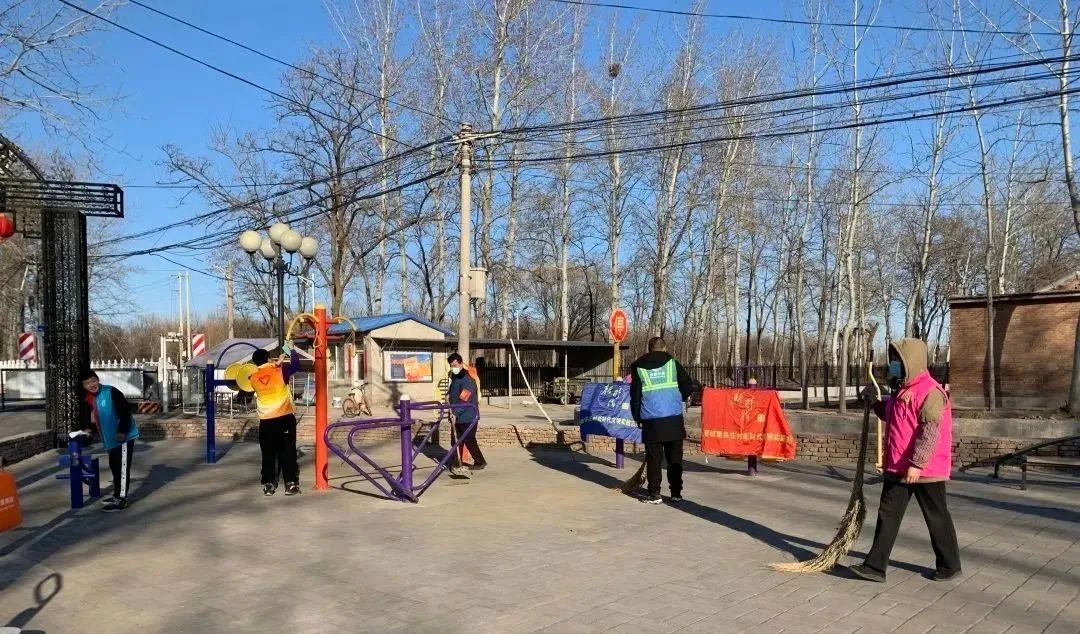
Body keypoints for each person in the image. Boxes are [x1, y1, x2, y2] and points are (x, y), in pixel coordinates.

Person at [850, 338, 961, 583]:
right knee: (888, 515)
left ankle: (950, 566)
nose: (894, 364)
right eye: (893, 359)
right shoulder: (901, 391)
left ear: (911, 361)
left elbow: (930, 432)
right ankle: (875, 566)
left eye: (897, 360)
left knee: (936, 517)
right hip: (897, 466)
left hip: (925, 470)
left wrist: (917, 464)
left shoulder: (931, 392)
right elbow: (891, 416)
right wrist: (875, 402)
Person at [629, 337, 693, 504]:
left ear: (649, 348)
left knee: (654, 459)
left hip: (651, 419)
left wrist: (637, 417)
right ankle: (676, 493)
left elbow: (635, 395)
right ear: (664, 348)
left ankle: (654, 494)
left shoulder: (638, 367)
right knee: (675, 459)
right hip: (673, 418)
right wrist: (677, 398)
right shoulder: (672, 363)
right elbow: (688, 385)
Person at [79, 369, 140, 512]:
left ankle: (121, 500)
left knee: (122, 469)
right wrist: (88, 428)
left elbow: (125, 411)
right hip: (111, 440)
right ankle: (117, 495)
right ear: (83, 386)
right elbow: (99, 418)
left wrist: (122, 431)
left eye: (93, 381)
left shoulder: (111, 392)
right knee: (115, 467)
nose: (92, 385)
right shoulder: (90, 398)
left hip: (123, 437)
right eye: (87, 383)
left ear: (97, 379)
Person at [248, 348, 301, 496]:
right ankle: (290, 484)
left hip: (266, 422)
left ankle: (269, 485)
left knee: (268, 453)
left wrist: (276, 364)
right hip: (284, 418)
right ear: (268, 359)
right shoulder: (280, 371)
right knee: (287, 452)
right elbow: (296, 365)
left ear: (255, 362)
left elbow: (265, 375)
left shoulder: (253, 378)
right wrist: (291, 350)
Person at [447, 353, 486, 470]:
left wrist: (455, 413)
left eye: (455, 365)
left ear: (461, 364)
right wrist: (448, 396)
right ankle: (456, 463)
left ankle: (480, 462)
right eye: (451, 366)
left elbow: (465, 400)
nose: (453, 368)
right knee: (455, 441)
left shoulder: (467, 380)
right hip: (457, 416)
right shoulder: (455, 377)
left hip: (468, 416)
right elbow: (453, 391)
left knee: (469, 440)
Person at [746, 377, 760, 476]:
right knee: (752, 448)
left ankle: (753, 469)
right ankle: (752, 469)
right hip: (752, 426)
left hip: (751, 425)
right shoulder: (757, 395)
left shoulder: (743, 394)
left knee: (753, 448)